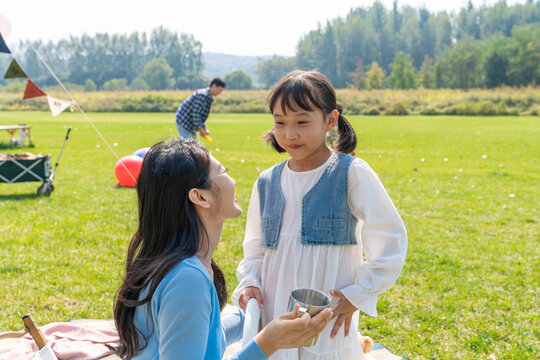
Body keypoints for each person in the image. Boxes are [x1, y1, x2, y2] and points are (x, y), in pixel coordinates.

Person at [231, 70, 408, 360]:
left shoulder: (350, 173)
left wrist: (357, 294)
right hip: (276, 312)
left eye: (302, 122)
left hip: (329, 317)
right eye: (280, 122)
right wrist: (250, 281)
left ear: (330, 120)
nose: (289, 133)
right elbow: (255, 248)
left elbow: (390, 240)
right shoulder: (267, 181)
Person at [113, 138, 333, 360]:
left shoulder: (174, 263)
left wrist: (249, 316)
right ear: (200, 197)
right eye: (224, 171)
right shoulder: (187, 279)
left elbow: (201, 337)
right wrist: (267, 343)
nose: (233, 180)